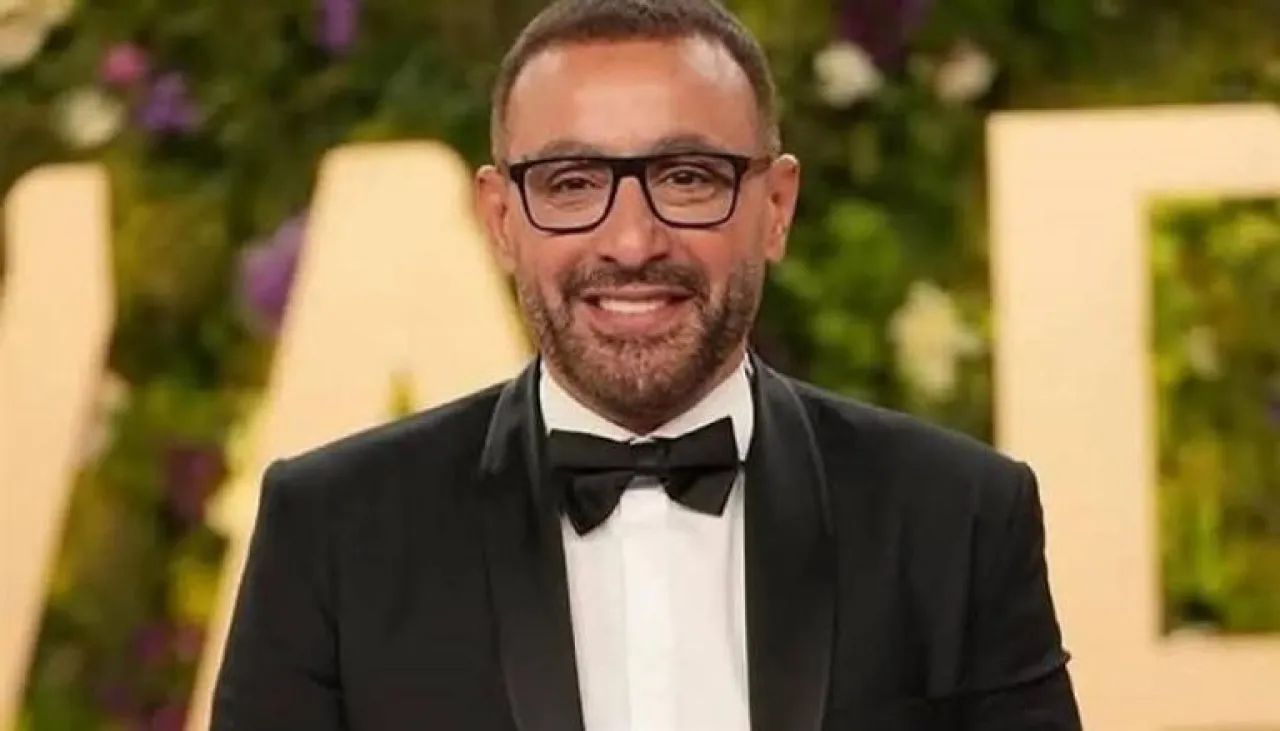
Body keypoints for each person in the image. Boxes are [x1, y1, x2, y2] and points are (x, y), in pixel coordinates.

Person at [209, 0, 1083, 728]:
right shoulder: (332, 532)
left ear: (776, 207)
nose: (632, 241)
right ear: (501, 219)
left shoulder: (957, 518)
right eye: (572, 183)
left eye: (689, 177)